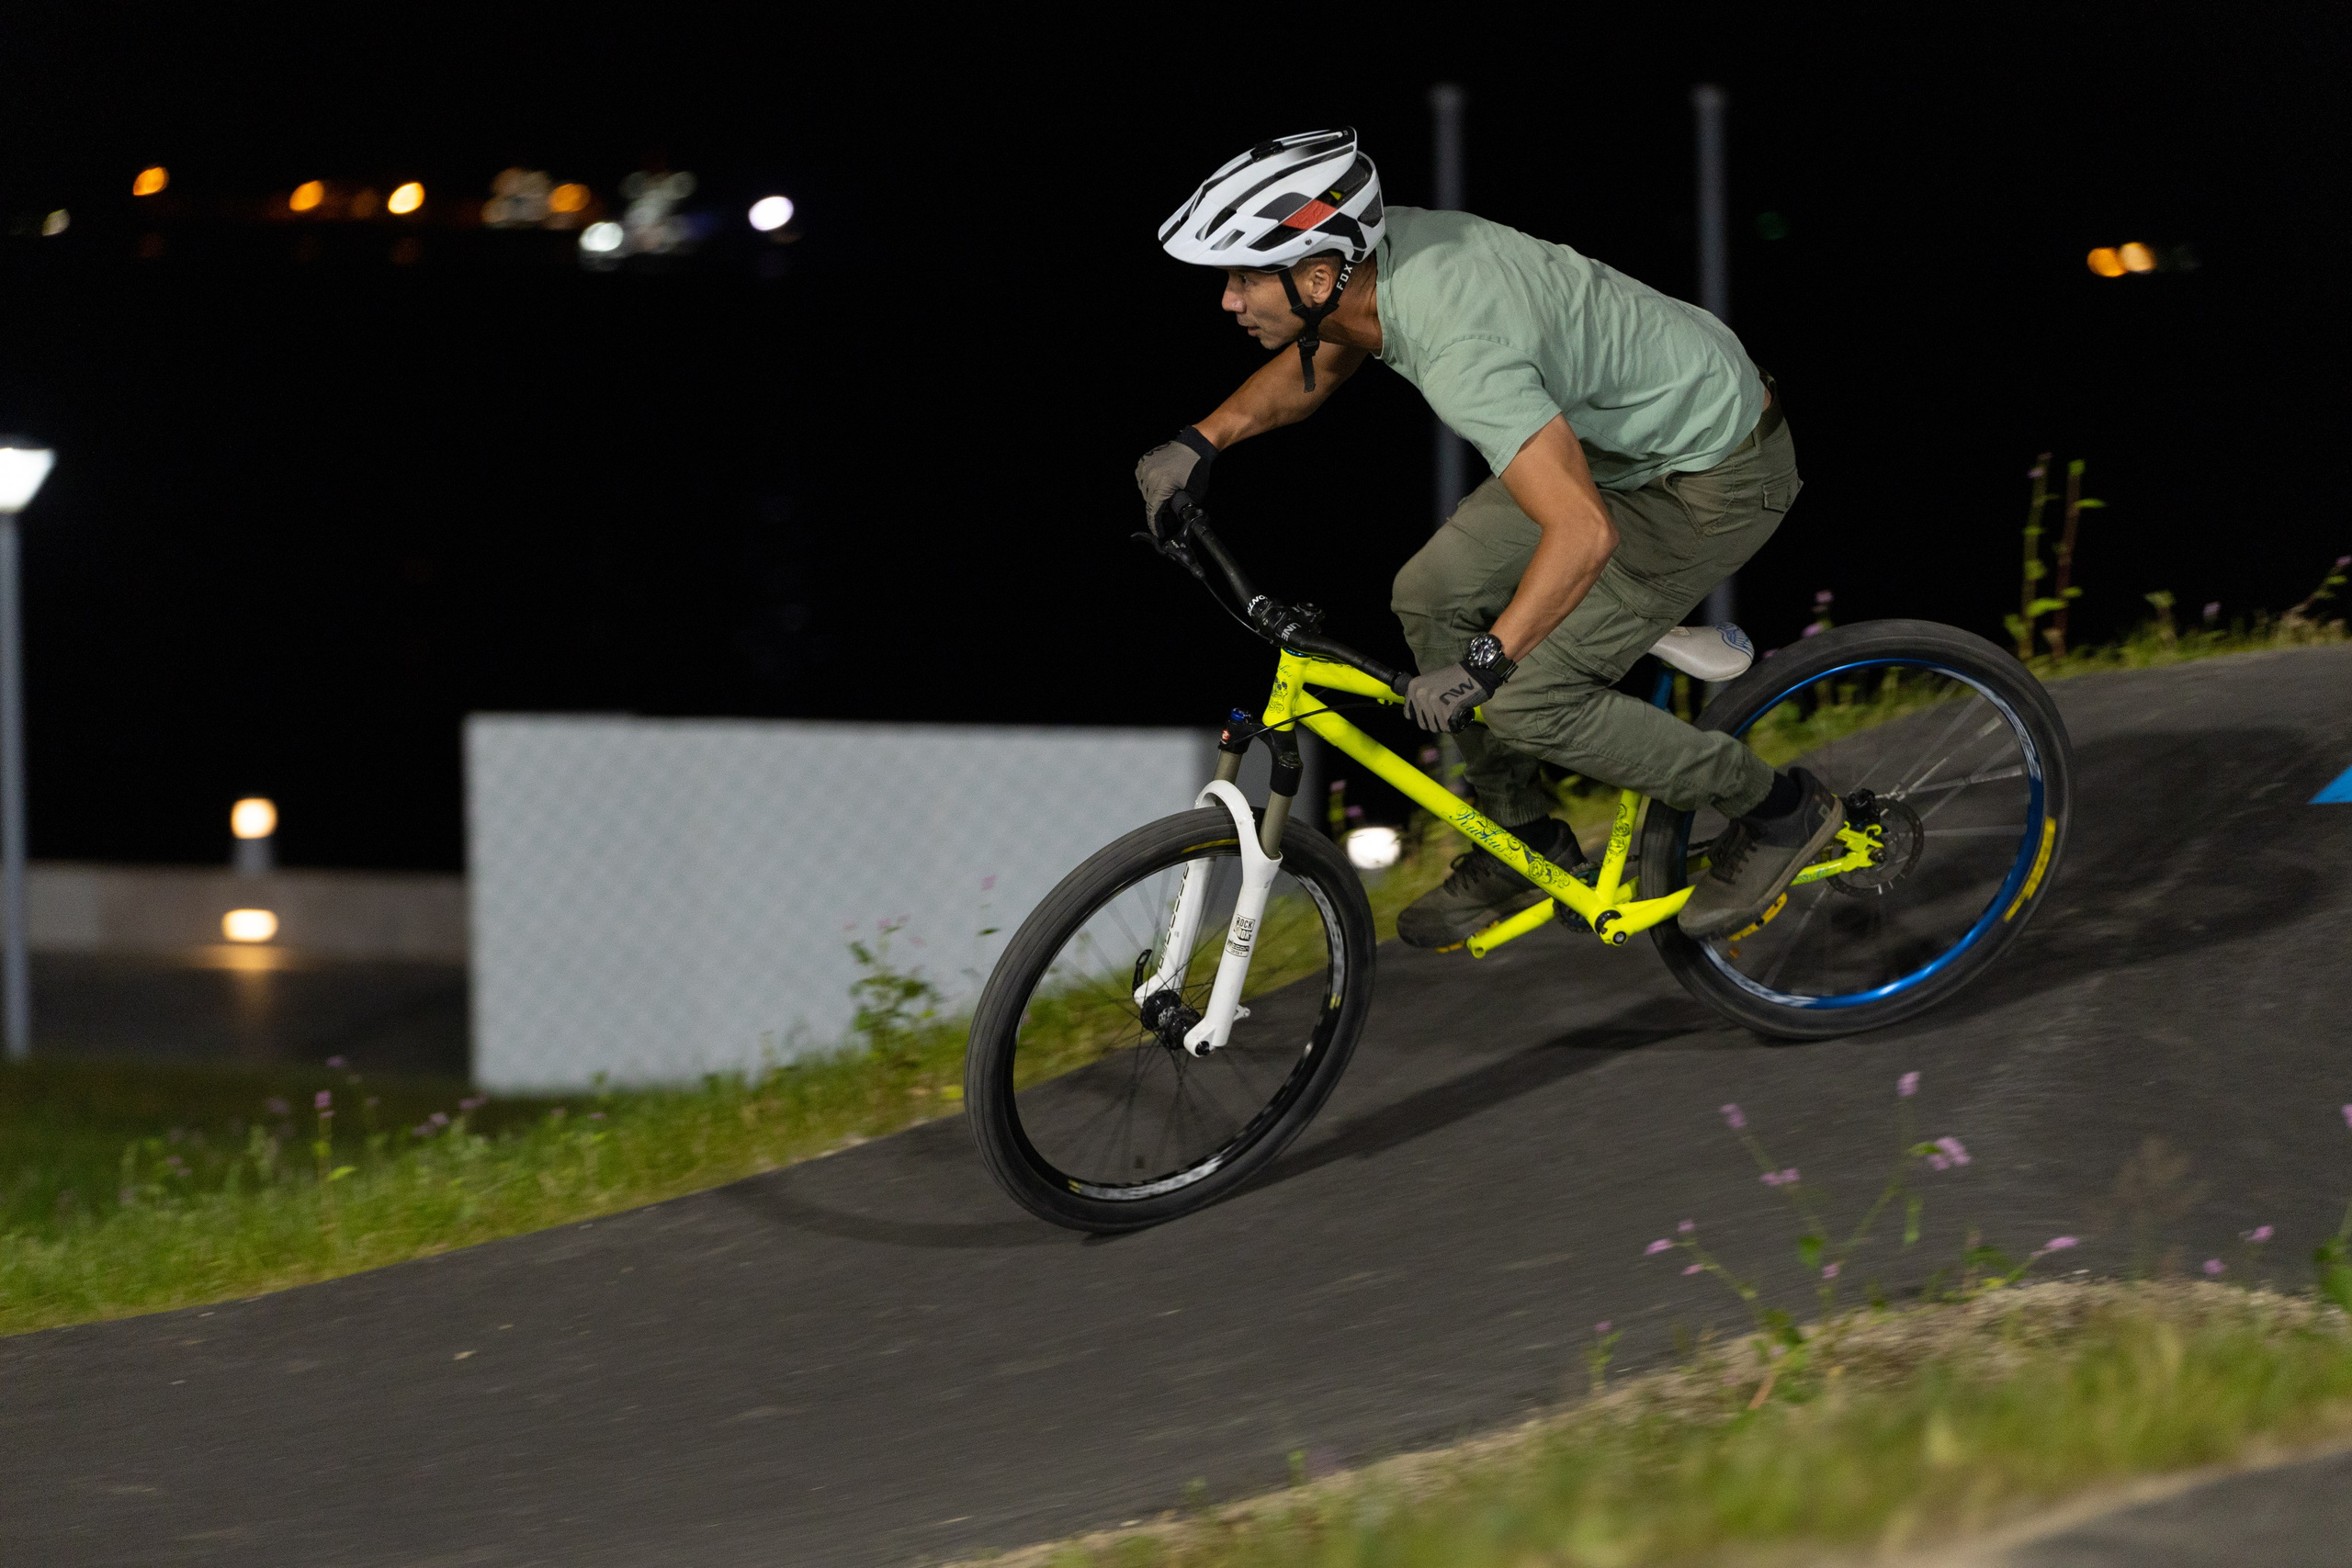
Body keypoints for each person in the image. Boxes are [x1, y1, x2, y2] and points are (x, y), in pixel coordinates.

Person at [1135, 128, 1840, 948]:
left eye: (1244, 278)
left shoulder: (1460, 346)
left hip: (1711, 476)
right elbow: (1315, 370)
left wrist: (1486, 663)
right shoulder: (1372, 263)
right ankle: (1522, 836)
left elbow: (1582, 531)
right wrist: (1202, 441)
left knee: (1531, 701)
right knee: (1430, 593)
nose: (1228, 300)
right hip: (1619, 437)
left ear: (1321, 274)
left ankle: (1782, 808)